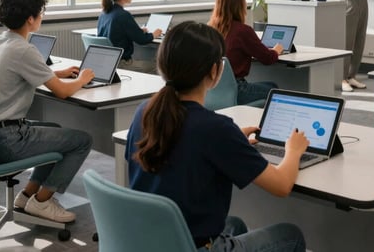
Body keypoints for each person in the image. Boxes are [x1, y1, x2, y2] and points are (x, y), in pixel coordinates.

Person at [126, 21, 309, 251]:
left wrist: (235, 140)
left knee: (235, 225)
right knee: (290, 235)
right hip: (191, 246)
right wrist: (293, 151)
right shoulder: (216, 129)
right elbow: (282, 185)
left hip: (153, 239)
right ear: (215, 71)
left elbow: (187, 148)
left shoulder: (144, 111)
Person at [0, 0, 95, 223]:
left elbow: (22, 71)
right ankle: (43, 202)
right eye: (40, 13)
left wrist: (55, 72)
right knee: (82, 140)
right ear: (31, 19)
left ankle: (27, 194)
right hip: (8, 140)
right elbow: (61, 92)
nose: (41, 17)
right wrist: (82, 79)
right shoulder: (23, 49)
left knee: (56, 130)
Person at [208, 0, 282, 105]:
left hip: (211, 90)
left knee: (270, 86)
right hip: (237, 90)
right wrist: (276, 50)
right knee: (274, 89)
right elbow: (268, 58)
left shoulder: (210, 28)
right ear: (240, 5)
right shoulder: (243, 31)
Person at [97, 0, 161, 73]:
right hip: (121, 64)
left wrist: (139, 31)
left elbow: (119, 32)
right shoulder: (123, 15)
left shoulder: (104, 13)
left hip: (106, 63)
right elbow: (141, 40)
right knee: (158, 67)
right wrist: (154, 34)